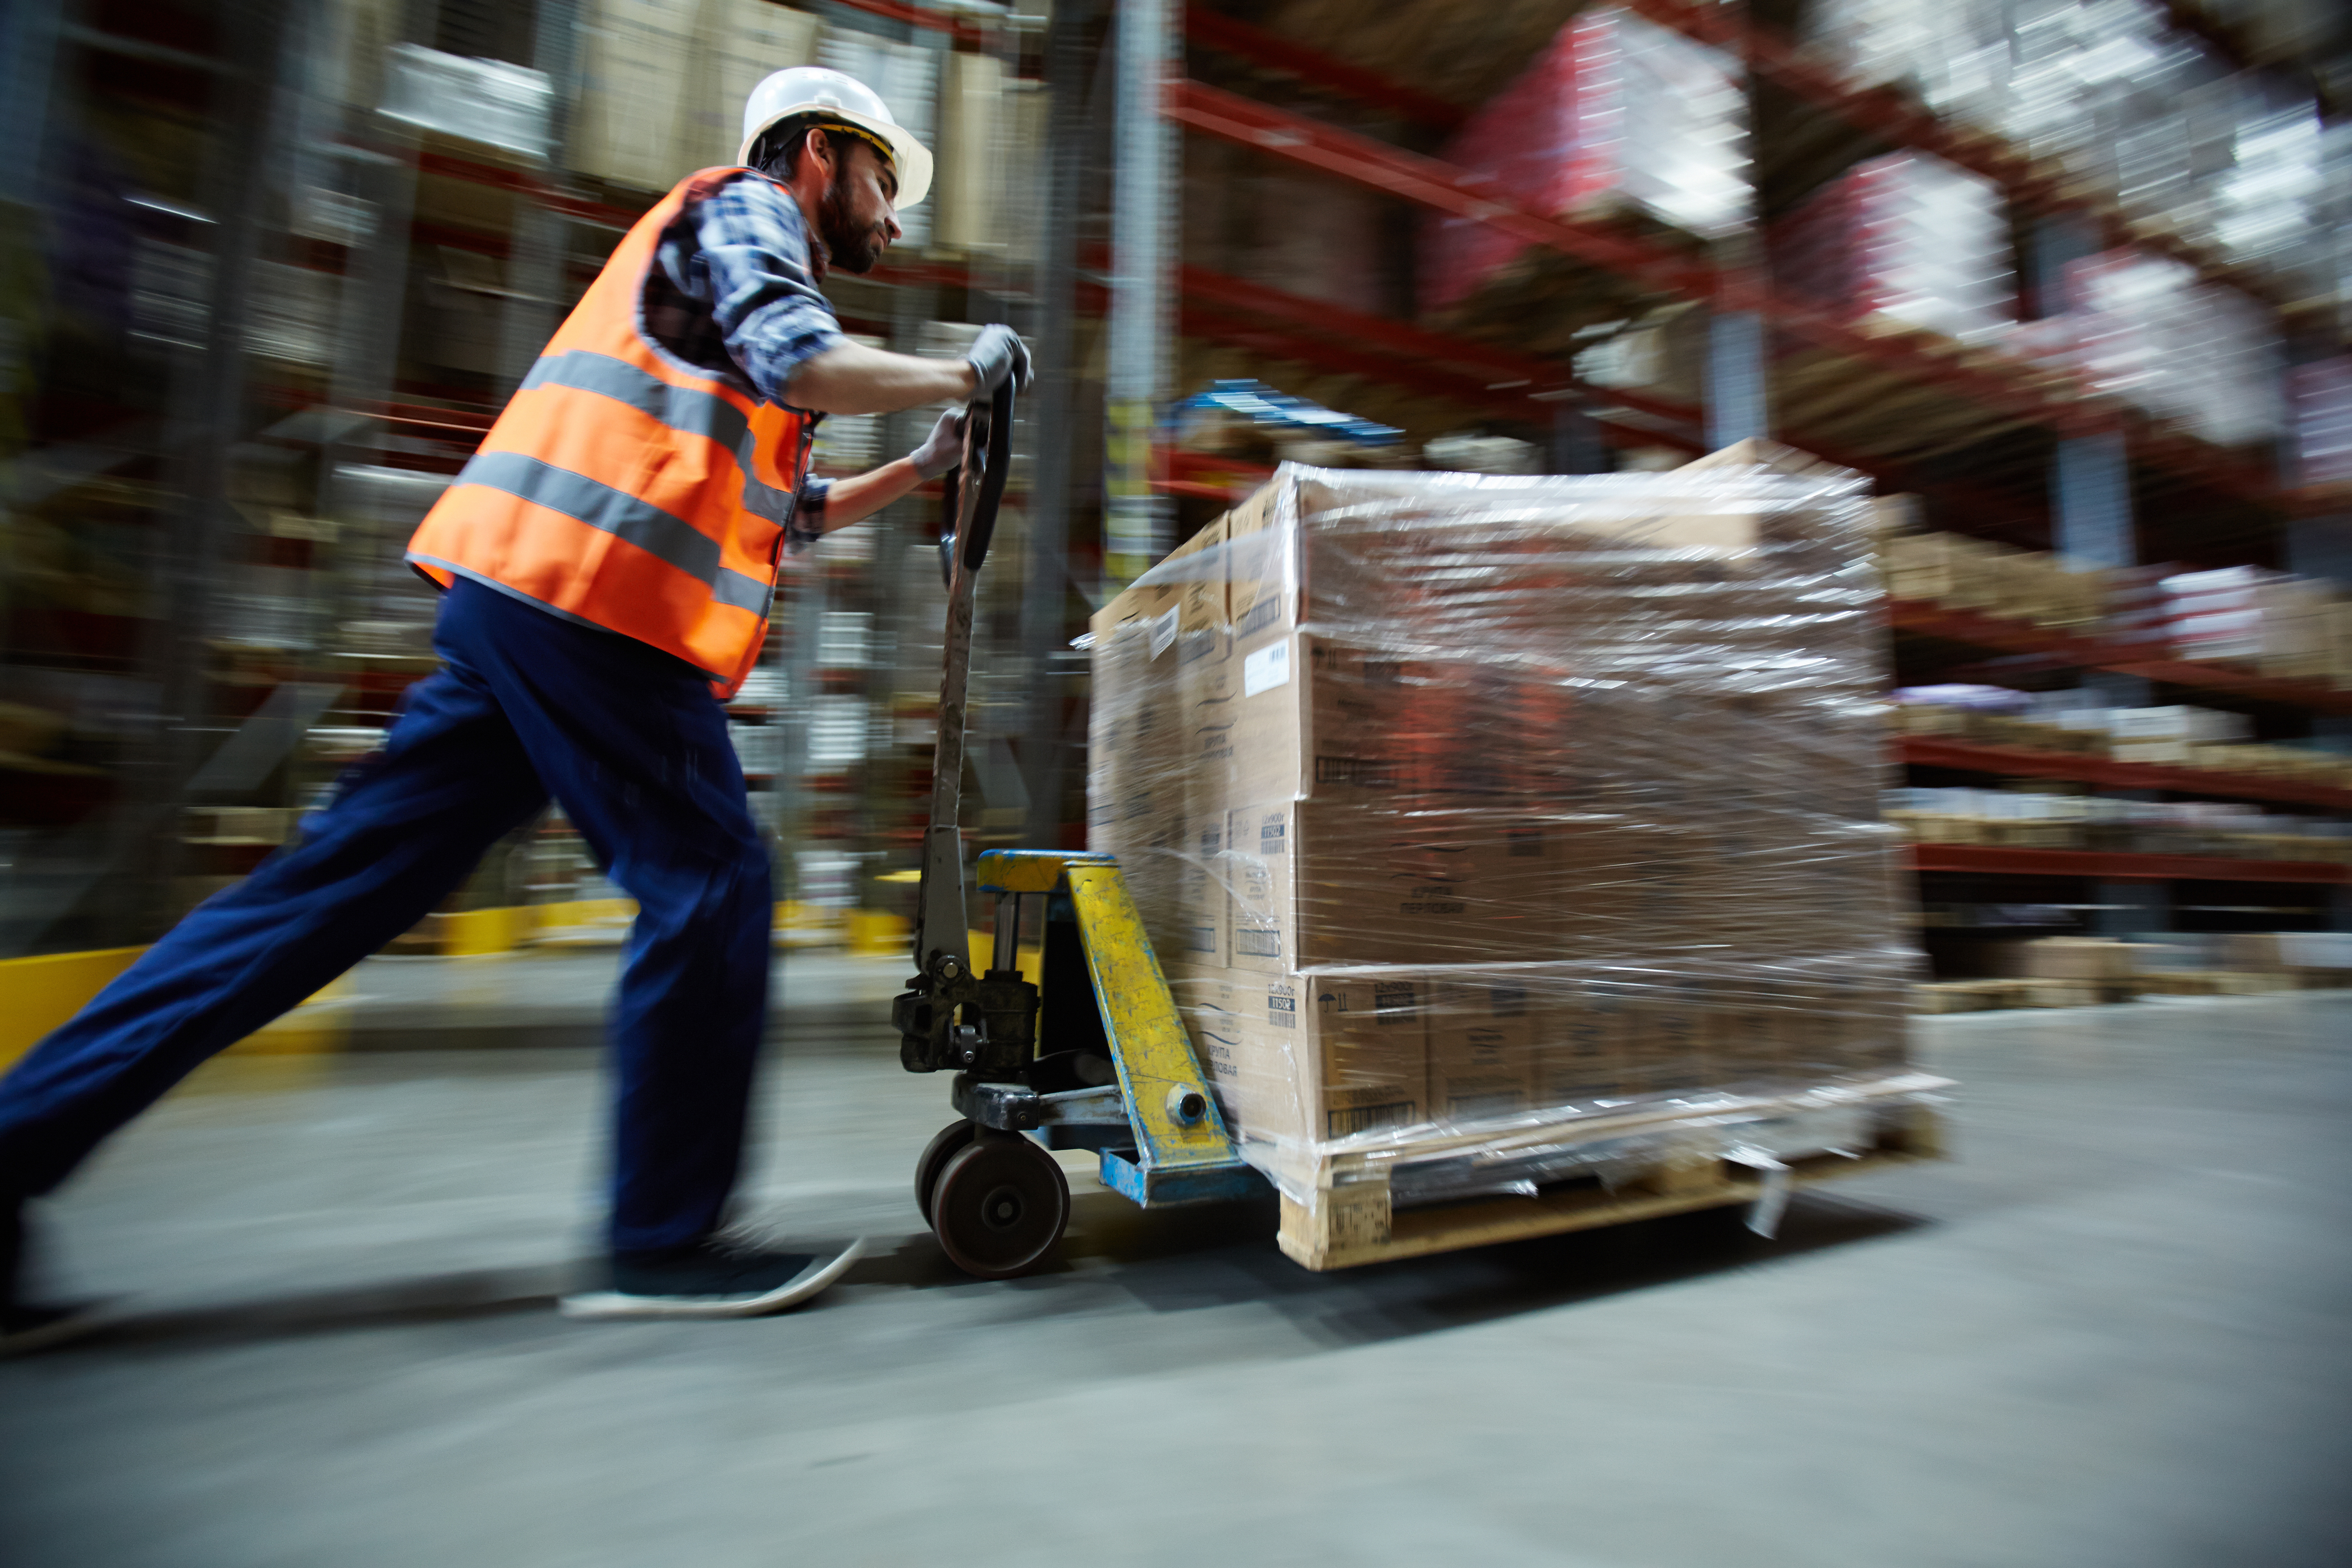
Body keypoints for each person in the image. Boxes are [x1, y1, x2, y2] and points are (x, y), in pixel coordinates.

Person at [0, 67, 1030, 1348]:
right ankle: (659, 1241)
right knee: (708, 887)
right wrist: (958, 373)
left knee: (321, 899)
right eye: (884, 180)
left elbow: (791, 513)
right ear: (821, 155)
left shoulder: (727, 288)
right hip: (598, 610)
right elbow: (804, 360)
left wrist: (920, 465)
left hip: (525, 606)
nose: (893, 215)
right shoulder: (748, 211)